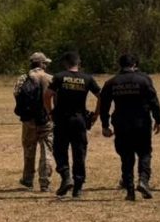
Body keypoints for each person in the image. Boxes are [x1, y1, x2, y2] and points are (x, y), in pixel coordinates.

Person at [100, 55, 160, 201]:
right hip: (142, 122)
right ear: (134, 64)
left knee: (126, 157)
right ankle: (143, 180)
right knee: (145, 153)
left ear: (119, 65)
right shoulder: (144, 80)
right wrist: (158, 119)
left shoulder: (111, 82)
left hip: (121, 124)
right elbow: (154, 100)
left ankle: (130, 190)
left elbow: (104, 106)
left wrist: (105, 125)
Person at [43, 51, 101, 199]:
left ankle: (66, 175)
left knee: (59, 149)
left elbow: (47, 95)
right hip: (80, 119)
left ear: (65, 63)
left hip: (62, 118)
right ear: (78, 63)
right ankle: (78, 187)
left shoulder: (60, 77)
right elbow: (101, 96)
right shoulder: (87, 78)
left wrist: (50, 113)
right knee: (79, 152)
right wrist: (96, 114)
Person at [13, 52, 54, 192]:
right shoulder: (50, 78)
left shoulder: (23, 78)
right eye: (45, 63)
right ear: (41, 64)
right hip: (46, 119)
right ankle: (44, 182)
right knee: (47, 150)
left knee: (29, 149)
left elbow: (17, 95)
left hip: (29, 120)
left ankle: (28, 179)